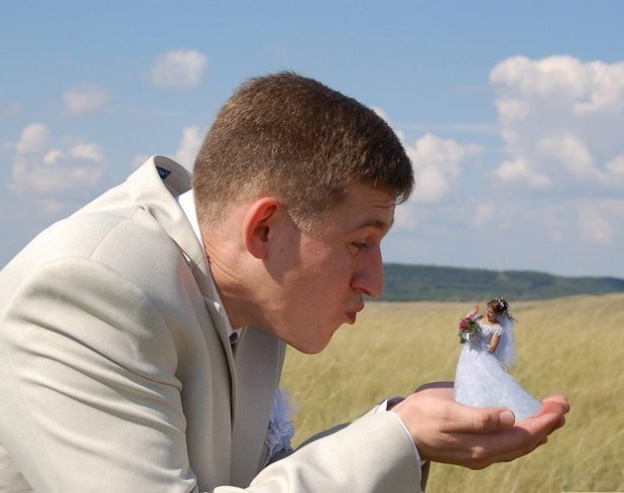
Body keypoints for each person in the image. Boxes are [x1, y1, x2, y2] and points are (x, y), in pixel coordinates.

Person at [0, 72, 568, 492]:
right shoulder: (84, 290)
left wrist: (403, 425)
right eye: (359, 242)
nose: (374, 281)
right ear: (266, 229)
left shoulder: (248, 295)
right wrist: (398, 436)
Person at [455, 297, 543, 421]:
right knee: (466, 377)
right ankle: (464, 408)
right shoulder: (479, 318)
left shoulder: (497, 327)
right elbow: (464, 327)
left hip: (481, 356)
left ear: (498, 314)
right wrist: (469, 323)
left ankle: (482, 409)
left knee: (482, 380)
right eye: (487, 309)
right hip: (469, 353)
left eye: (491, 312)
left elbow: (492, 348)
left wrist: (478, 341)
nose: (487, 313)